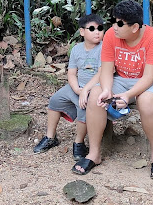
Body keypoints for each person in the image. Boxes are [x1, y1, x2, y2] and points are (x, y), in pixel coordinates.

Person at [72, 0, 153, 179]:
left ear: (135, 27)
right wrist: (107, 89)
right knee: (96, 94)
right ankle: (94, 154)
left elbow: (149, 77)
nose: (114, 27)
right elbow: (107, 68)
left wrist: (127, 95)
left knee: (146, 100)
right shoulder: (111, 35)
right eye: (113, 21)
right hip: (122, 78)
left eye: (119, 23)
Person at [33, 13, 105, 160]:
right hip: (78, 87)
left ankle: (78, 143)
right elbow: (71, 73)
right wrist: (77, 89)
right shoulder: (77, 49)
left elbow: (101, 73)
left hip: (95, 89)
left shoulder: (104, 48)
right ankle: (50, 137)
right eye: (92, 29)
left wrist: (85, 91)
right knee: (55, 101)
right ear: (82, 32)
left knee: (84, 108)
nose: (97, 32)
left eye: (100, 28)